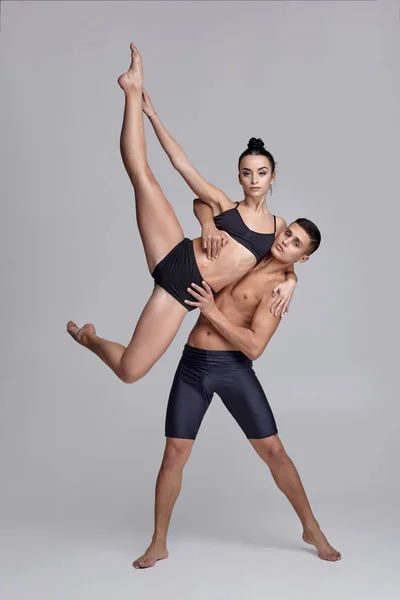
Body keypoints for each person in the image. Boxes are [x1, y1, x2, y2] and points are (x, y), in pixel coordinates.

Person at [66, 43, 298, 383]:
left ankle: (88, 338)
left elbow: (287, 261)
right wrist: (153, 116)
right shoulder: (223, 203)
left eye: (261, 173)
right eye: (247, 173)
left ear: (272, 177)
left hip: (183, 293)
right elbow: (182, 165)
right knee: (142, 175)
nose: (254, 180)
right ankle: (131, 89)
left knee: (130, 370)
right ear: (239, 176)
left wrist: (291, 283)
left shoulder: (279, 227)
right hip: (174, 251)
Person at [132, 219, 342, 569]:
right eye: (288, 233)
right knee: (173, 455)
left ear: (301, 258)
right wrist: (206, 225)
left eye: (295, 244)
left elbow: (255, 346)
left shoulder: (277, 287)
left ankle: (312, 529)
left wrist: (213, 311)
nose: (286, 241)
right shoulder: (250, 249)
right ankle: (158, 543)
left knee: (274, 451)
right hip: (192, 365)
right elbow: (207, 202)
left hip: (233, 370)